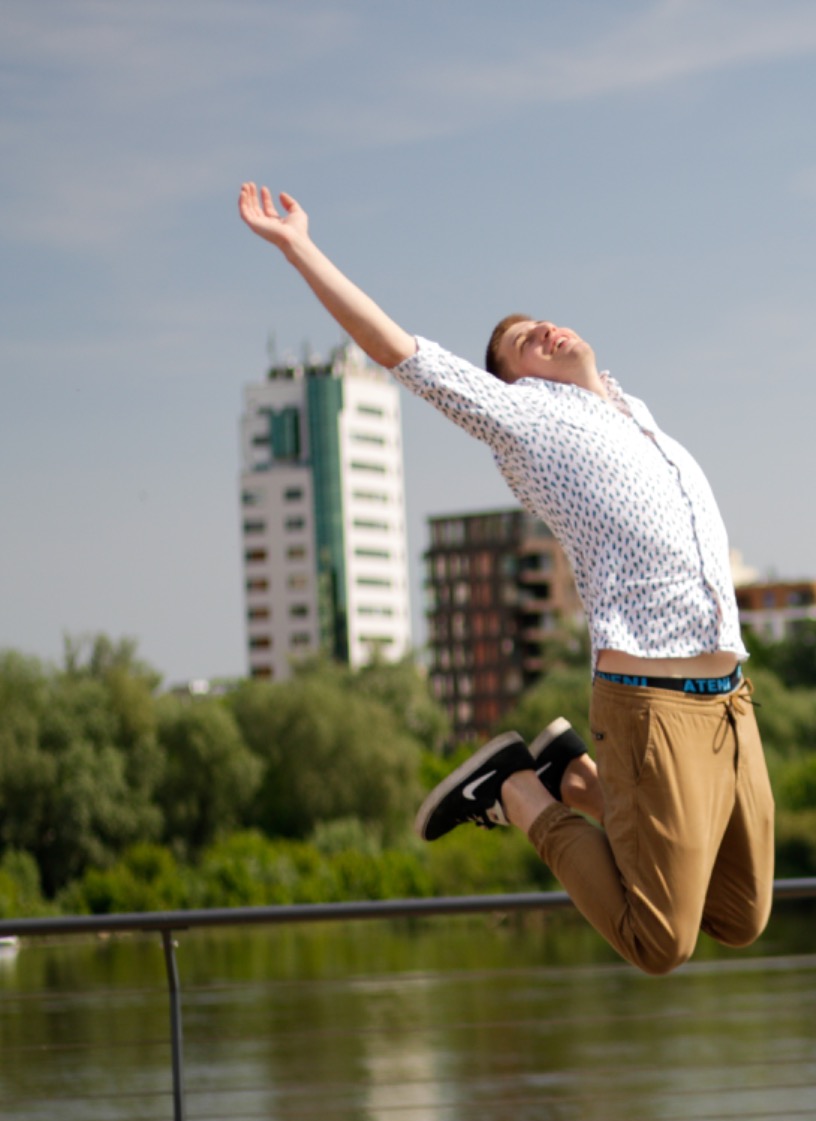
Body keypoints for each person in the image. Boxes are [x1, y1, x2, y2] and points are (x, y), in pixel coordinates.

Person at [238, 183, 773, 976]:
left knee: (741, 915)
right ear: (515, 384)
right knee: (661, 943)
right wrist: (300, 248)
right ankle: (520, 788)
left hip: (730, 700)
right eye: (522, 344)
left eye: (539, 323)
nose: (539, 333)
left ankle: (578, 779)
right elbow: (398, 352)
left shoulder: (637, 412)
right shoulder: (529, 425)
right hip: (652, 704)